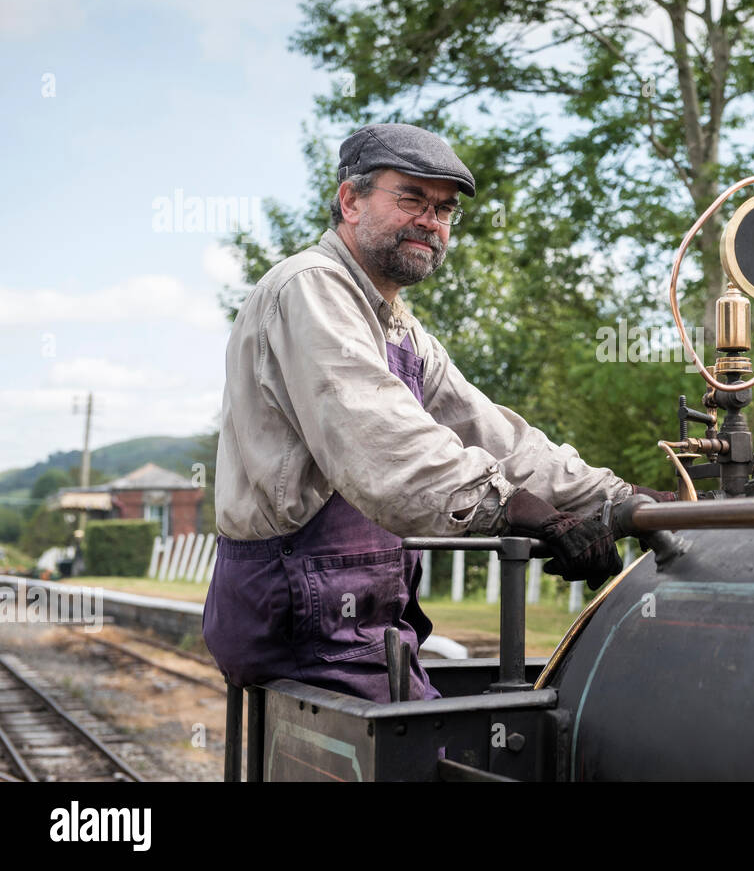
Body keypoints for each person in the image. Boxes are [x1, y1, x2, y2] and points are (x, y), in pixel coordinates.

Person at [203, 123, 671, 703]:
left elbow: (496, 437)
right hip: (302, 617)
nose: (431, 221)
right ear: (350, 200)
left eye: (444, 209)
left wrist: (616, 497)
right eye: (411, 200)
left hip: (364, 619)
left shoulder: (400, 329)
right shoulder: (311, 288)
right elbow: (386, 447)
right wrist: (525, 514)